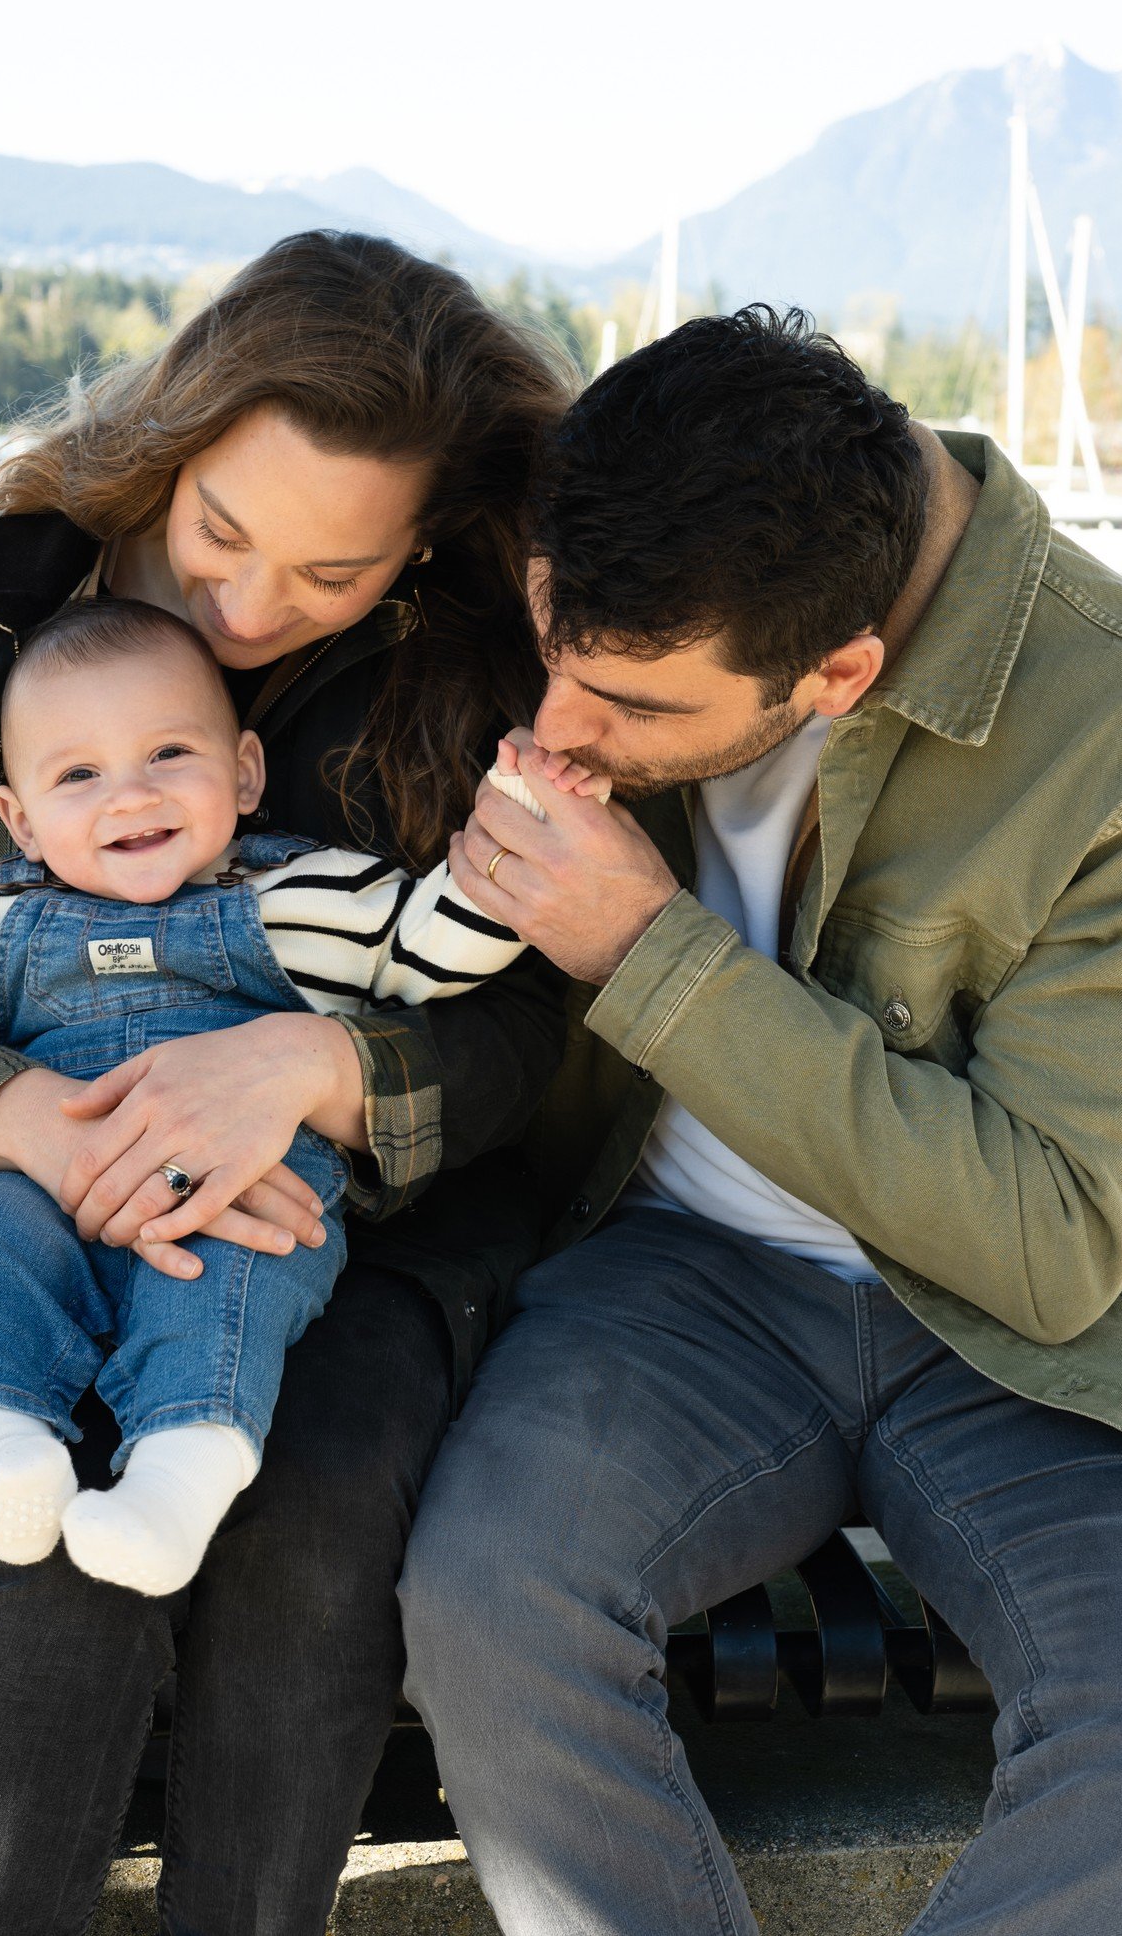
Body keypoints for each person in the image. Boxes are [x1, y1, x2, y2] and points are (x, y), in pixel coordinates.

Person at [0, 230, 575, 1935]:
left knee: (309, 1520)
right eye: (216, 537)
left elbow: (526, 1021)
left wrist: (314, 1068)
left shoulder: (458, 664)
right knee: (52, 1545)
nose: (244, 611)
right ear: (167, 444)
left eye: (325, 577)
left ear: (412, 556)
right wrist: (7, 1116)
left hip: (344, 1228)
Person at [401, 305, 1122, 1934]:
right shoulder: (655, 509)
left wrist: (644, 955)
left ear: (838, 673)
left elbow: (1050, 1242)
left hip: (1021, 1354)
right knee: (488, 1600)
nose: (558, 734)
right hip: (676, 1278)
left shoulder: (1102, 725)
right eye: (550, 663)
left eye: (631, 710)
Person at [0, 598, 593, 1595]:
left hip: (234, 1184)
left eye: (169, 753)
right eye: (78, 773)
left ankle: (179, 1476)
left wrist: (525, 815)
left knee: (237, 1268)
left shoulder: (307, 895)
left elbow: (434, 948)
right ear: (20, 820)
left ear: (243, 771)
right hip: (46, 1185)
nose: (129, 796)